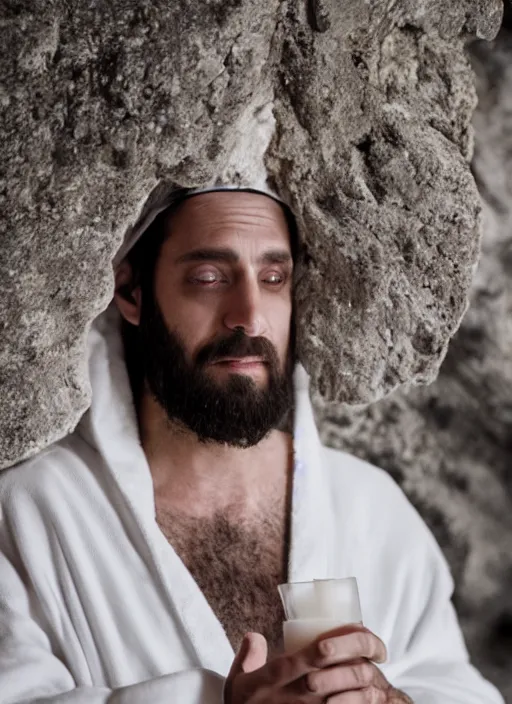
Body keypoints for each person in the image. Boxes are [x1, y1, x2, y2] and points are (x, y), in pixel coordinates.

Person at [0, 186, 504, 704]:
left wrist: (393, 700)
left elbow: (455, 684)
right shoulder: (29, 515)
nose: (249, 315)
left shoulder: (368, 506)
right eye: (209, 278)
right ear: (132, 292)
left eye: (273, 279)